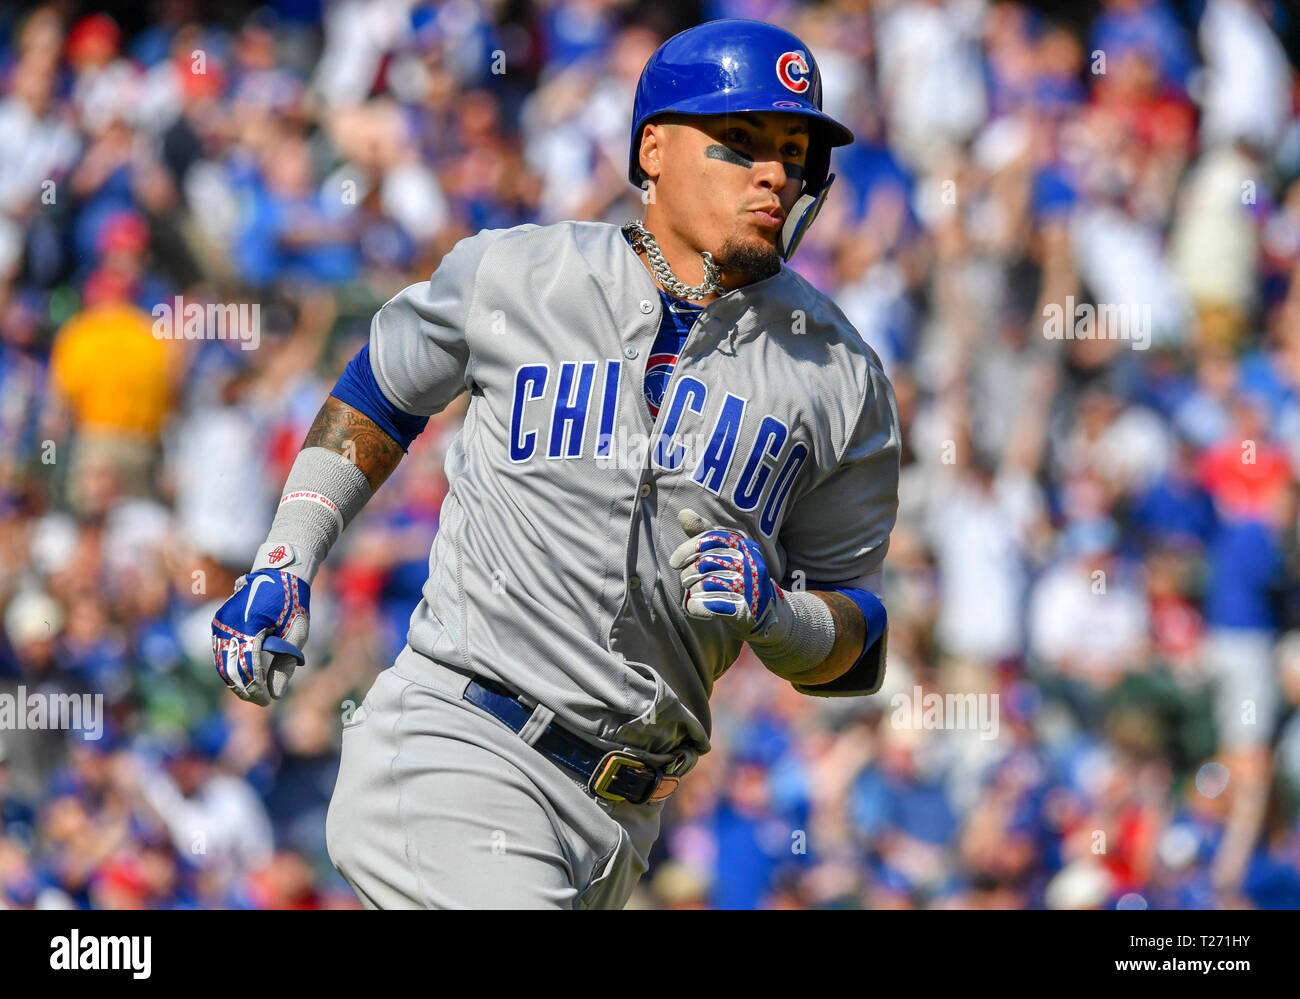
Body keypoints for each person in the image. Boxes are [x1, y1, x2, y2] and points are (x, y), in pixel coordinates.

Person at [209, 18, 900, 909]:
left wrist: (780, 614)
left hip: (620, 822)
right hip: (458, 745)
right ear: (653, 148)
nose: (774, 172)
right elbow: (383, 389)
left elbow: (853, 645)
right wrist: (288, 552)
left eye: (794, 150)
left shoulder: (840, 374)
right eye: (740, 143)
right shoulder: (520, 273)